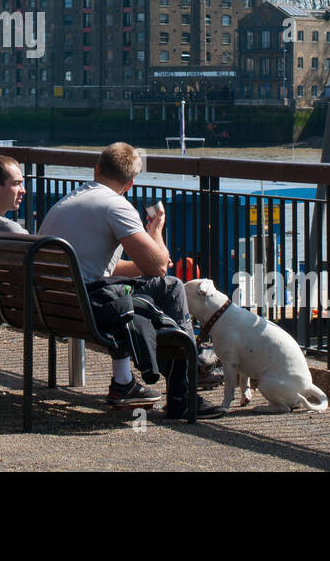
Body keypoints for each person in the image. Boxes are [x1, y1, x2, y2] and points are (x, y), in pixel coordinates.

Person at [37, 142, 217, 419]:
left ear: (96, 169)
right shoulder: (115, 206)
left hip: (52, 303)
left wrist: (146, 264)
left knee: (154, 291)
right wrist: (155, 232)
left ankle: (165, 380)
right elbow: (158, 268)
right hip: (86, 306)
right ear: (131, 184)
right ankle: (184, 393)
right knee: (171, 287)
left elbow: (104, 268)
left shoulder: (69, 201)